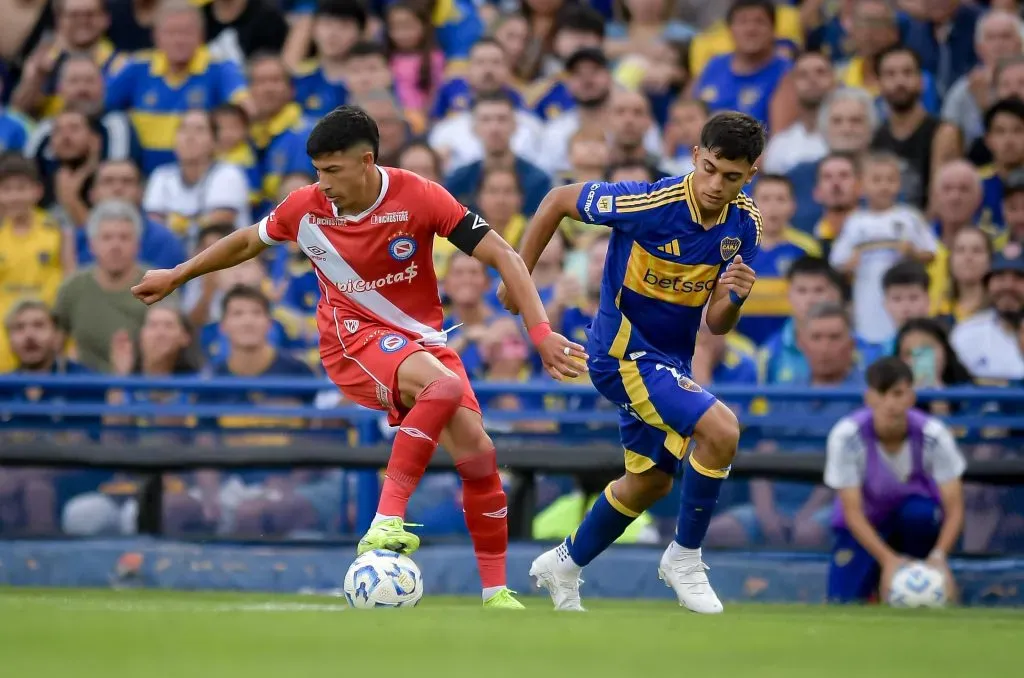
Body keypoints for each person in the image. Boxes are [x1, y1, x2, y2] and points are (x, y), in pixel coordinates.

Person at [130, 105, 583, 609]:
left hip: (420, 341)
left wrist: (540, 332)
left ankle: (496, 593)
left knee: (480, 457)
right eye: (317, 171)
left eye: (332, 170)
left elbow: (505, 255)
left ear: (366, 161)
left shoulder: (420, 196)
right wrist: (178, 275)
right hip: (352, 338)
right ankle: (386, 519)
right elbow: (244, 243)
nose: (321, 183)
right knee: (444, 388)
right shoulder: (305, 208)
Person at [500, 111, 766, 614]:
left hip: (670, 364)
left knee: (651, 481)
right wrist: (520, 276)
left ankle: (564, 563)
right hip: (619, 354)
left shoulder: (744, 226)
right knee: (723, 431)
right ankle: (685, 557)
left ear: (750, 174)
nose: (715, 184)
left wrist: (734, 298)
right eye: (709, 168)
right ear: (695, 157)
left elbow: (717, 324)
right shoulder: (651, 202)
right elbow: (558, 200)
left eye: (731, 176)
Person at [825, 357, 965, 604]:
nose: (891, 403)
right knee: (841, 600)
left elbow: (954, 507)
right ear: (869, 397)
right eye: (882, 393)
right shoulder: (846, 436)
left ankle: (925, 567)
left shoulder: (934, 435)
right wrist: (889, 560)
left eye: (899, 393)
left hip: (915, 525)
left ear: (911, 396)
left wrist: (940, 556)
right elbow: (852, 512)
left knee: (919, 514)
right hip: (865, 526)